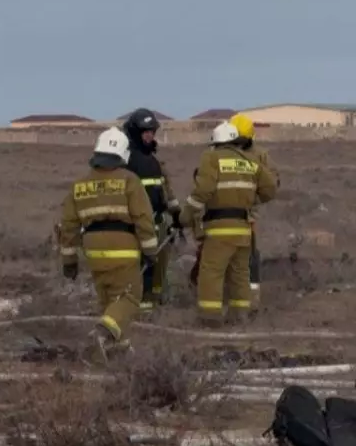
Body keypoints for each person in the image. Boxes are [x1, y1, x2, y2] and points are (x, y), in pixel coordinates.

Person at [59, 127, 159, 357]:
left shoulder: (80, 185)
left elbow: (69, 225)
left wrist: (69, 260)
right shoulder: (129, 180)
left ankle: (117, 348)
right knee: (129, 298)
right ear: (123, 154)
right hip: (122, 246)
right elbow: (143, 218)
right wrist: (150, 250)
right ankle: (102, 334)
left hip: (93, 249)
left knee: (108, 300)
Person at [180, 122, 277, 325]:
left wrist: (185, 216)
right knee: (240, 274)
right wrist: (250, 199)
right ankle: (240, 316)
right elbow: (270, 189)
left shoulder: (211, 157)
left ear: (216, 142)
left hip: (219, 228)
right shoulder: (250, 160)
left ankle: (209, 317)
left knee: (212, 272)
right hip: (243, 229)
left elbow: (203, 190)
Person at [120, 109, 182, 311]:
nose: (150, 135)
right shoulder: (126, 161)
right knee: (141, 268)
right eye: (145, 131)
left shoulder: (155, 161)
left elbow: (166, 190)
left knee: (157, 268)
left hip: (158, 222)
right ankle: (139, 309)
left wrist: (176, 216)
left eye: (152, 131)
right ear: (135, 132)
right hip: (136, 225)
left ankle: (154, 304)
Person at [229, 112, 279, 312]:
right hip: (228, 213)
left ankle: (251, 298)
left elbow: (272, 182)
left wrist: (253, 198)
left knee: (249, 256)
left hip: (246, 215)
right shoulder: (223, 153)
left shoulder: (259, 156)